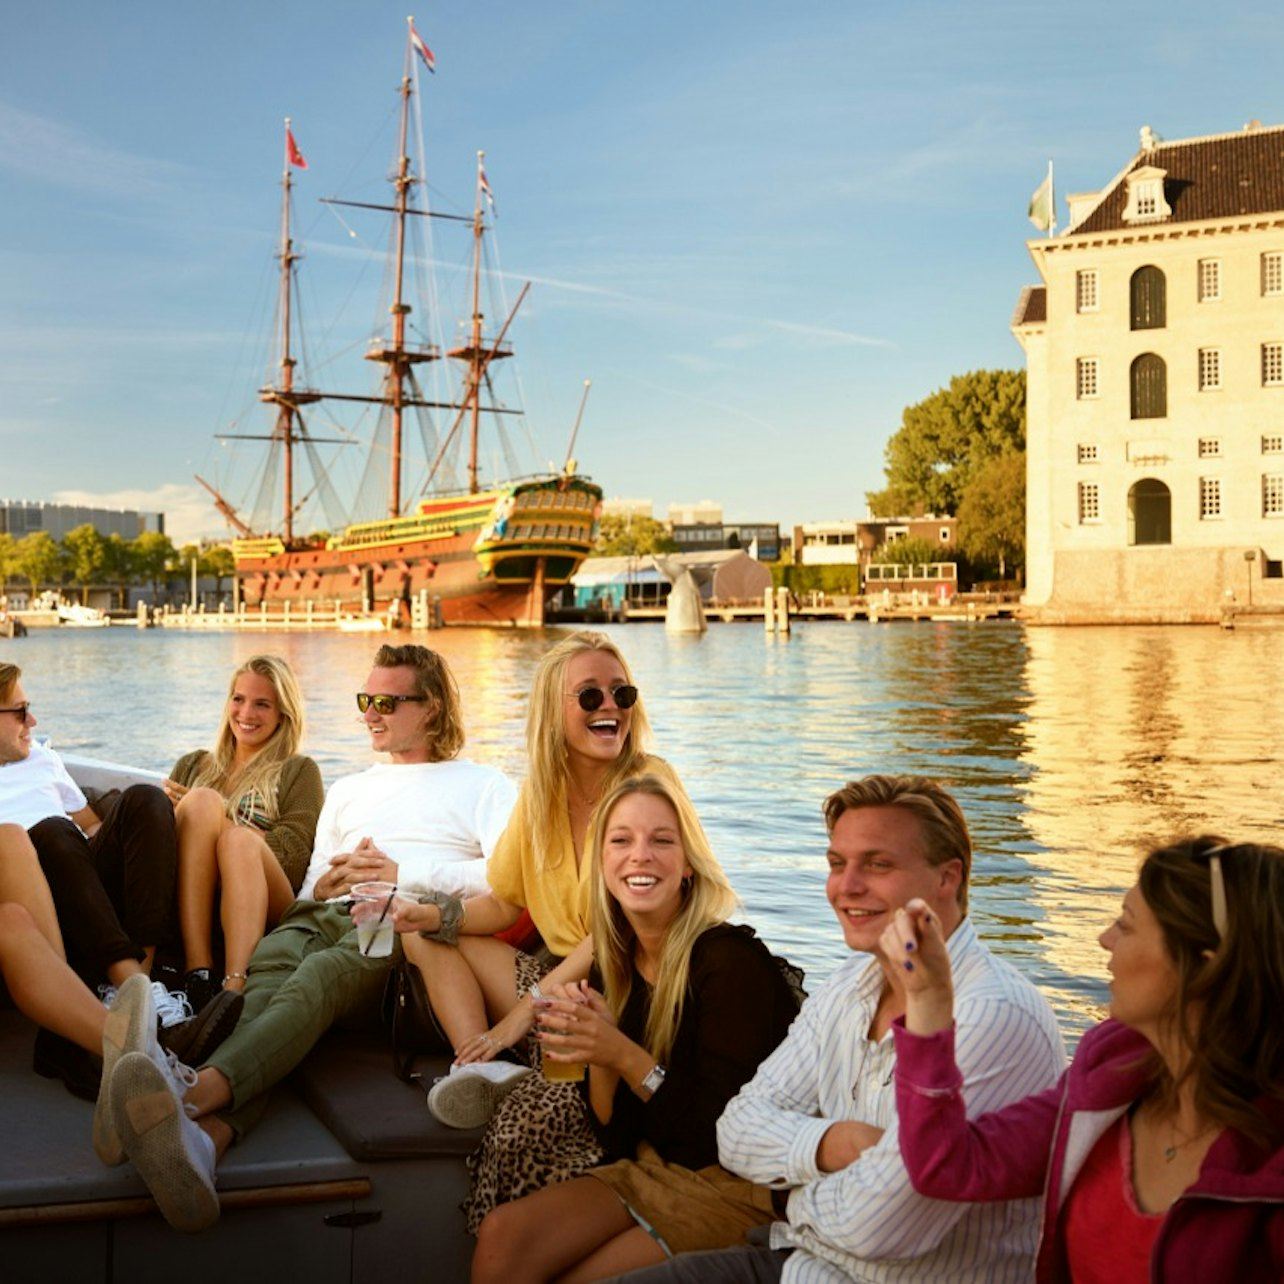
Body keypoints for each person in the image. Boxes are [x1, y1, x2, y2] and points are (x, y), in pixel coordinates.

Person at [103, 644, 516, 1233]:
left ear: (431, 708)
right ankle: (205, 1142)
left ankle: (187, 1100)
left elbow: (505, 881)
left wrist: (400, 873)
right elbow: (308, 887)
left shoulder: (484, 784)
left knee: (314, 983)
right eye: (364, 700)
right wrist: (336, 878)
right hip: (320, 916)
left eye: (385, 702)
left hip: (398, 922)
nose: (369, 714)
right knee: (259, 991)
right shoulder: (351, 790)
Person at [621, 774, 1066, 1284]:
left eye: (877, 864)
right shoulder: (851, 983)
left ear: (947, 879)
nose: (846, 886)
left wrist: (789, 1197)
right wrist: (835, 1142)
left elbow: (883, 1228)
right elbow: (736, 1129)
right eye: (837, 864)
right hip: (800, 1264)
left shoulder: (994, 1017)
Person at [883, 836, 1284, 1283]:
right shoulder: (1109, 1080)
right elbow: (951, 1166)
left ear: (1204, 968)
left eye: (1127, 926)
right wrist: (929, 1000)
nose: (1105, 939)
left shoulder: (1271, 1168)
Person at [390, 632, 681, 1227]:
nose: (611, 706)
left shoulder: (649, 784)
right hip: (559, 981)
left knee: (520, 1127)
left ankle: (516, 1061)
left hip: (630, 994)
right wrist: (436, 913)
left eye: (622, 692)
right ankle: (483, 1066)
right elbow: (502, 904)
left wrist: (521, 1015)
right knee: (425, 931)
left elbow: (623, 927)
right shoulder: (540, 796)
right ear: (553, 710)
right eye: (591, 694)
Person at [470, 774, 801, 1283]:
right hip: (652, 1166)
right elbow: (615, 1137)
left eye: (661, 840)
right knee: (502, 1235)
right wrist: (598, 1054)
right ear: (602, 864)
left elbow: (717, 1137)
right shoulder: (615, 964)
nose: (639, 855)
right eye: (621, 840)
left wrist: (621, 1053)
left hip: (743, 1186)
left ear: (688, 864)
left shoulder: (729, 963)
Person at [0, 662, 218, 1089]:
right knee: (51, 832)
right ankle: (131, 992)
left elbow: (94, 830)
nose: (33, 721)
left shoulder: (44, 759)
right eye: (19, 711)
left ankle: (137, 991)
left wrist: (145, 839)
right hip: (30, 910)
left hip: (81, 892)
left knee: (146, 801)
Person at [164, 654, 323, 1008]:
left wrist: (216, 815)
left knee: (211, 811)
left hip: (265, 898)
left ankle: (234, 986)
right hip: (193, 898)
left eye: (262, 704)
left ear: (284, 713)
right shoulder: (192, 764)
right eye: (239, 699)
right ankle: (199, 973)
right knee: (199, 803)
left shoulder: (298, 770)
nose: (246, 714)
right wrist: (179, 816)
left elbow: (293, 858)